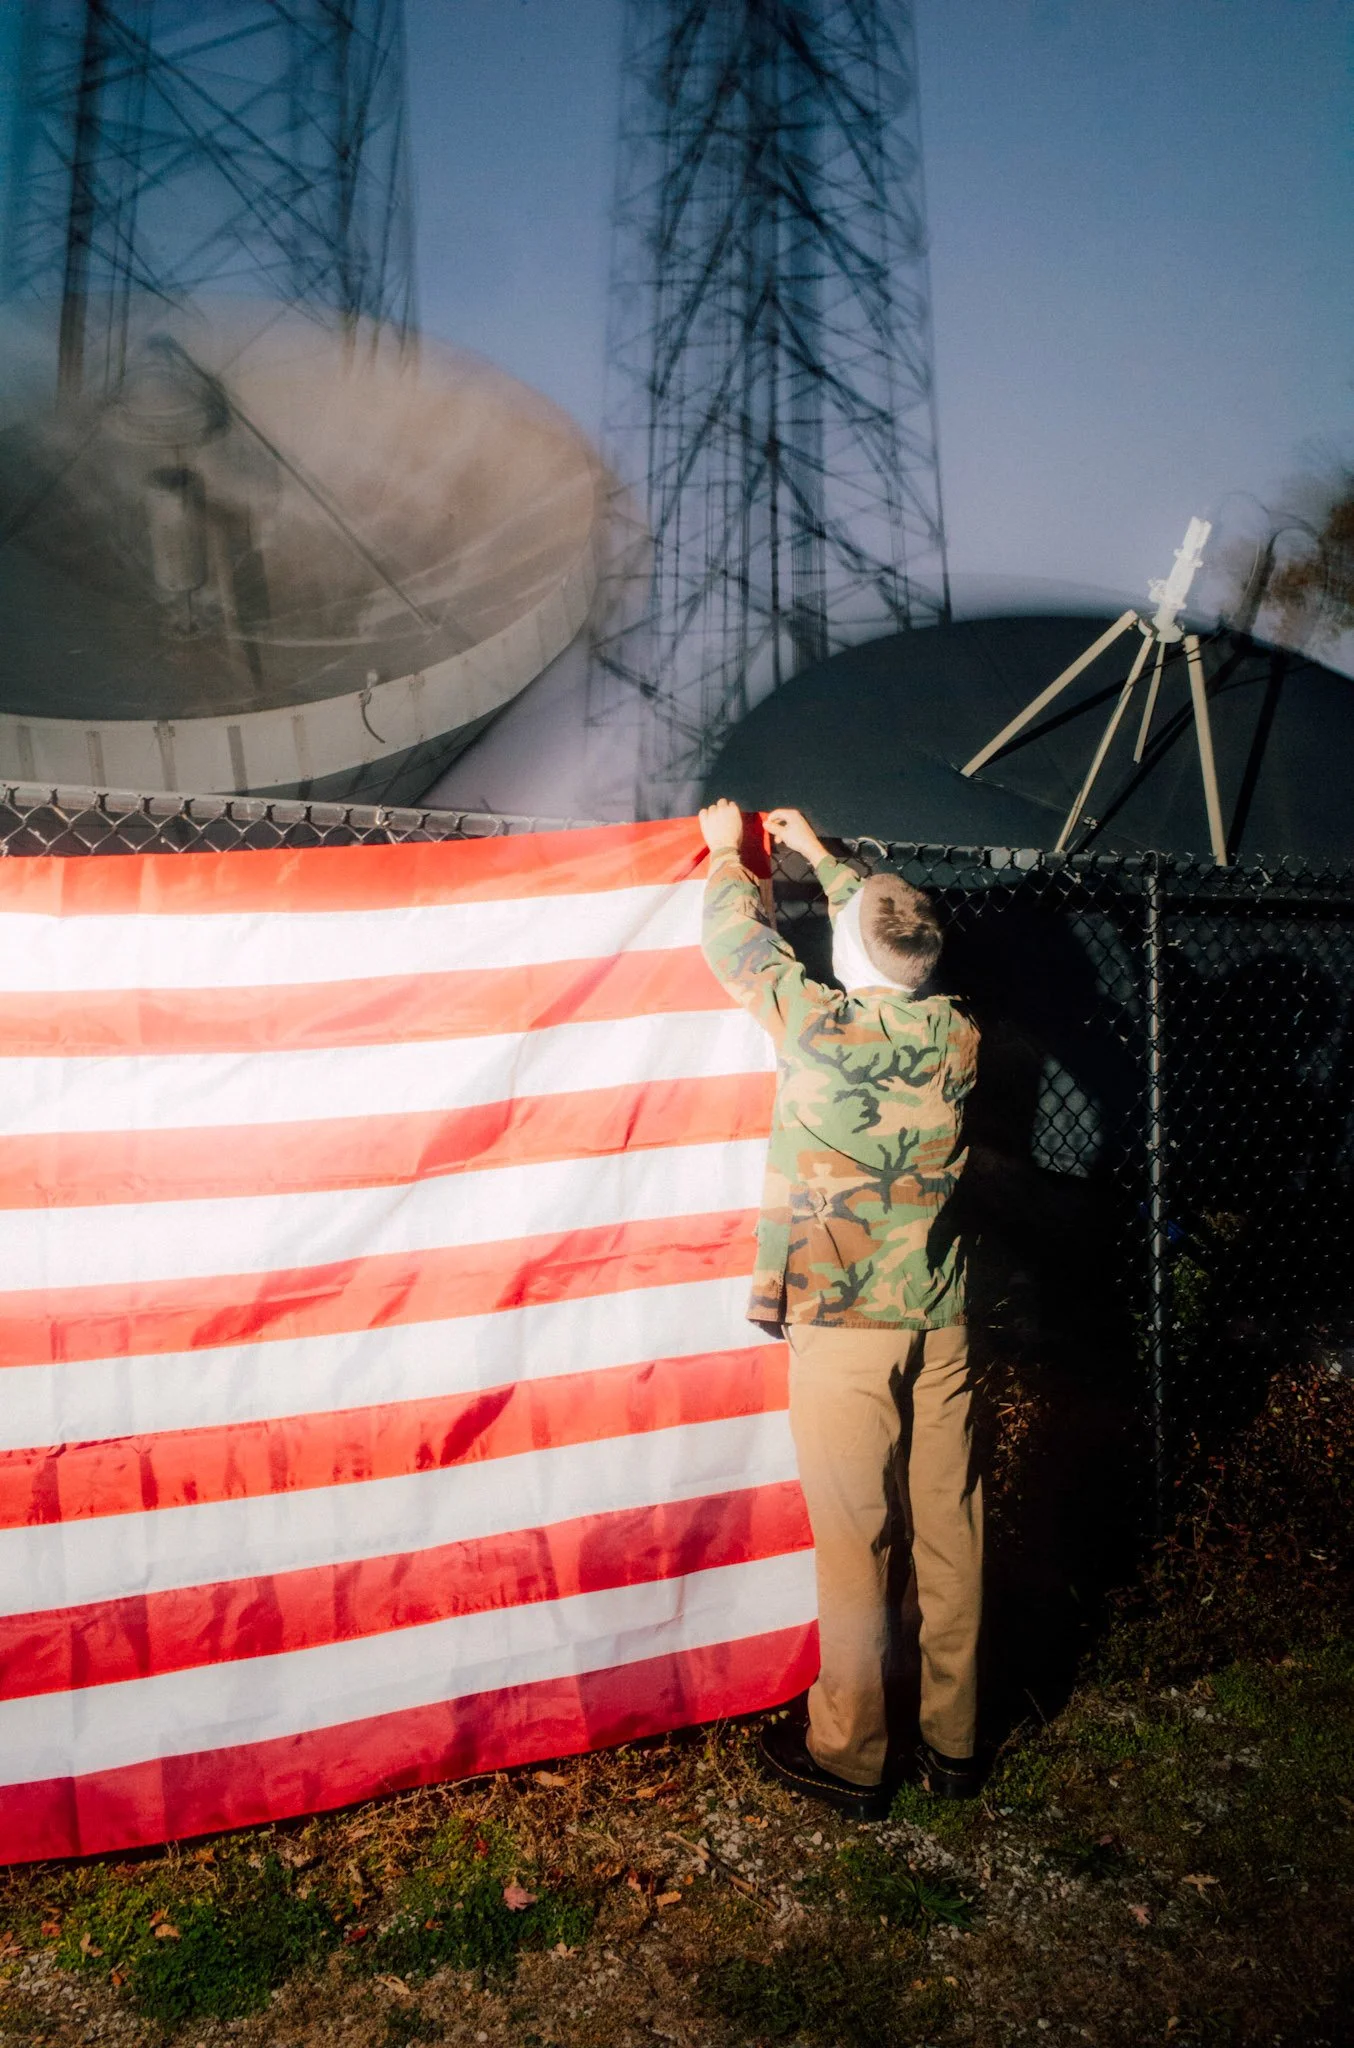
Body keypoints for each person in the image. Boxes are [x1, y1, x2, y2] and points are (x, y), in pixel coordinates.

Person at [698, 798, 983, 1820]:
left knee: (856, 1536)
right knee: (950, 1522)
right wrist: (824, 857)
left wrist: (732, 851)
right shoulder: (955, 1035)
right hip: (940, 1317)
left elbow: (734, 941)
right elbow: (885, 927)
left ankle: (852, 1751)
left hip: (846, 1322)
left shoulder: (819, 1026)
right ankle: (954, 1739)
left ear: (849, 963)